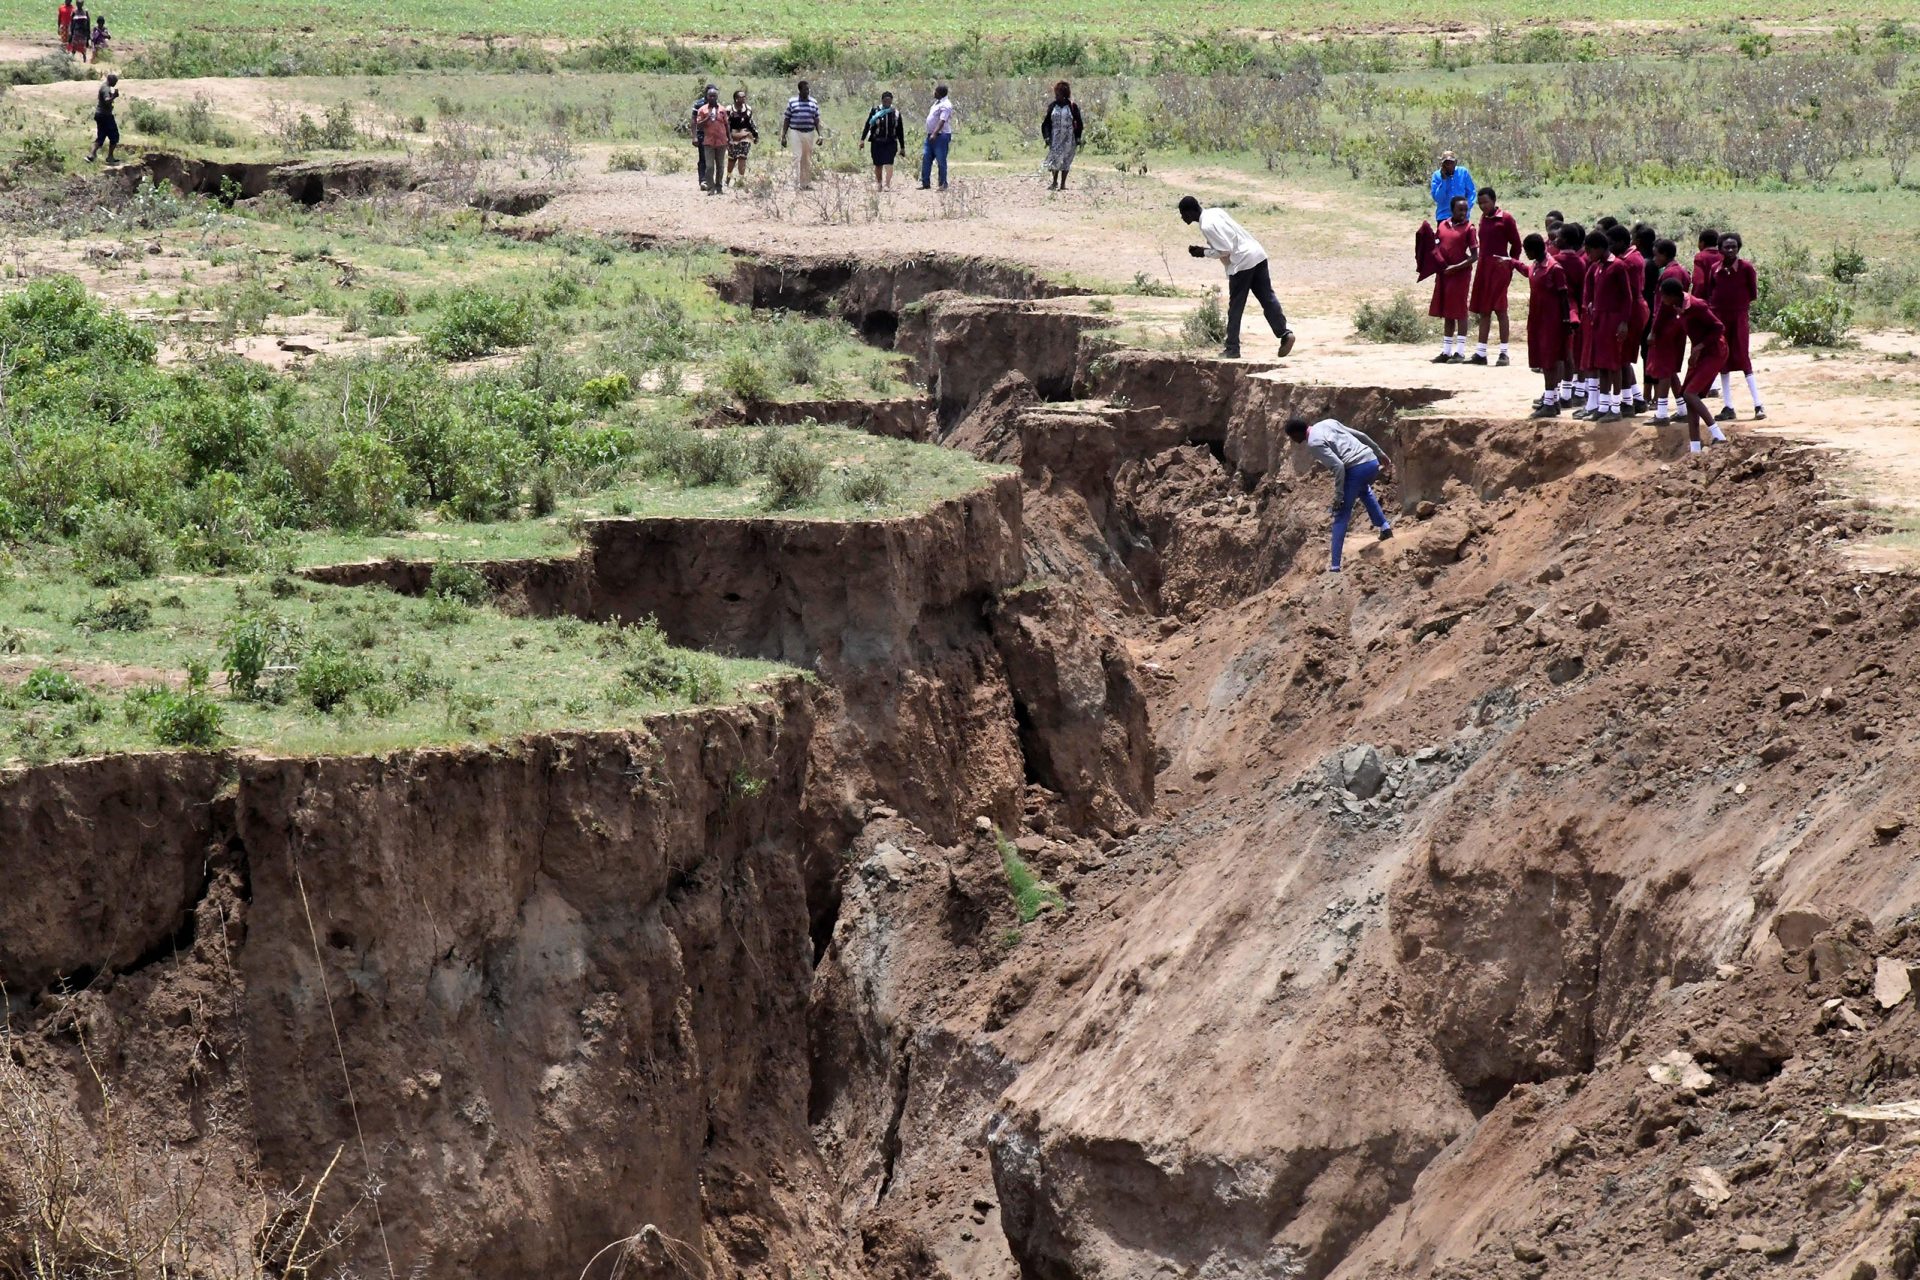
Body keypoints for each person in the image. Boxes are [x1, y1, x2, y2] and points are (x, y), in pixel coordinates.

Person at [1178, 195, 1296, 361]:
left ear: (1189, 212)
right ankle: (1285, 334)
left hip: (1241, 263)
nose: (1182, 217)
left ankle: (1232, 348)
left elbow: (1225, 249)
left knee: (1235, 307)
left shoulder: (1206, 225)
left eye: (1182, 214)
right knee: (1268, 298)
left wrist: (1202, 252)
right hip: (1257, 254)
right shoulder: (1215, 212)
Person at [1285, 417, 1393, 573]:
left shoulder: (1314, 443)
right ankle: (1385, 528)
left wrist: (1338, 497)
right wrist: (1380, 453)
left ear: (1296, 433)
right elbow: (1361, 435)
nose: (1293, 441)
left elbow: (1339, 467)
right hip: (1371, 462)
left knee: (1341, 514)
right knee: (1364, 491)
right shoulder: (1328, 422)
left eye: (1292, 437)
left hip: (1356, 468)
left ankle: (1335, 566)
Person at [1657, 277, 1731, 453]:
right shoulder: (1677, 307)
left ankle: (1718, 434)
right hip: (1700, 354)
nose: (1662, 300)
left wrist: (1698, 347)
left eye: (1664, 296)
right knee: (1687, 395)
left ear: (1673, 296)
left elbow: (1719, 327)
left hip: (1714, 352)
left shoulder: (1697, 305)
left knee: (1690, 394)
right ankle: (1695, 448)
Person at [1512, 233, 1572, 417]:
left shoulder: (1554, 268)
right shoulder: (1537, 265)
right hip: (1538, 319)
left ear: (1535, 249)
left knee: (1550, 360)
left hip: (1552, 321)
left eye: (1527, 250)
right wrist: (1512, 262)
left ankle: (1550, 402)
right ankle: (1551, 401)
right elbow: (1528, 272)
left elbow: (1564, 297)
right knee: (1543, 360)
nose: (1525, 254)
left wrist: (1565, 321)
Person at [1575, 228, 1633, 422]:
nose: (1588, 255)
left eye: (1590, 251)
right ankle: (1603, 405)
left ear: (1599, 248)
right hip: (1599, 320)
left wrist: (1624, 322)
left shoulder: (1617, 266)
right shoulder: (1598, 267)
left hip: (1613, 320)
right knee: (1602, 365)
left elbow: (1627, 297)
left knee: (1613, 364)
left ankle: (1616, 409)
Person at [1708, 232, 1764, 421]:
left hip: (1739, 317)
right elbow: (1711, 291)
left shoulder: (1746, 268)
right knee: (1723, 359)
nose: (1730, 250)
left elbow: (1753, 293)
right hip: (1720, 318)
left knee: (1742, 357)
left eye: (1734, 246)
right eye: (1726, 247)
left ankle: (1758, 404)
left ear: (1739, 248)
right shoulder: (1715, 269)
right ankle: (1728, 405)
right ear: (1720, 249)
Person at [1467, 187, 1520, 365]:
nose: (1482, 206)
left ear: (1494, 201)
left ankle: (1504, 353)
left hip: (1499, 269)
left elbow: (1516, 244)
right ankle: (1481, 352)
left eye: (1485, 202)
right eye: (1480, 203)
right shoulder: (1484, 218)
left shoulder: (1505, 218)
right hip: (1483, 268)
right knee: (1484, 310)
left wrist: (1510, 263)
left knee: (1500, 309)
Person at [1428, 195, 1477, 362]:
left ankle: (1461, 352)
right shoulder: (1442, 225)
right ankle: (1446, 351)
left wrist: (1455, 268)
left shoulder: (1469, 228)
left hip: (1460, 275)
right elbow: (1434, 245)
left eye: (1465, 210)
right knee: (1448, 311)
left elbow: (1474, 256)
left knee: (1460, 311)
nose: (1463, 213)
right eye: (1460, 210)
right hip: (1444, 274)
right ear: (1452, 210)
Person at [859, 91, 904, 190]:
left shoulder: (895, 113)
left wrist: (902, 147)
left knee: (889, 163)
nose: (887, 102)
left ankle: (887, 184)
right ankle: (879, 183)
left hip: (891, 142)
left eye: (889, 100)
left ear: (892, 101)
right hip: (877, 142)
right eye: (885, 100)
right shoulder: (875, 111)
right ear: (882, 100)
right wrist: (862, 140)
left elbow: (900, 130)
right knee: (878, 164)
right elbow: (868, 125)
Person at [781, 80, 821, 190]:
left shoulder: (813, 102)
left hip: (809, 132)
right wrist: (783, 135)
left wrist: (820, 135)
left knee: (806, 158)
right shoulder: (792, 102)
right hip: (795, 132)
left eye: (808, 89)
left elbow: (816, 119)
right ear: (800, 90)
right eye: (805, 90)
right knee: (796, 156)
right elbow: (787, 118)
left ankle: (805, 183)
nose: (807, 91)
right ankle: (795, 182)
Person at [1042, 81, 1083, 191]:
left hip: (1069, 139)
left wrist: (1078, 137)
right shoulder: (1052, 106)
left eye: (1058, 94)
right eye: (1056, 94)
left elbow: (1079, 122)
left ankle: (1063, 184)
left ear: (1064, 94)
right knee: (1055, 160)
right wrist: (1046, 137)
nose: (1056, 96)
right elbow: (1046, 123)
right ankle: (1054, 182)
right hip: (1055, 138)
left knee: (1066, 161)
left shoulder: (1072, 106)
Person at [693, 86, 729, 195]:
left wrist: (729, 139)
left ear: (717, 96)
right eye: (710, 96)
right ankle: (710, 187)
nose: (712, 98)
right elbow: (698, 125)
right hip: (708, 142)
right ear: (707, 97)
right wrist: (707, 118)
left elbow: (727, 125)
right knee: (709, 166)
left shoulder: (722, 110)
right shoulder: (702, 109)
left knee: (720, 166)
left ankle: (719, 186)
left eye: (714, 96)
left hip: (721, 142)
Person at [920, 84, 954, 190]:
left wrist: (935, 133)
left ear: (939, 93)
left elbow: (942, 120)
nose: (933, 93)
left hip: (940, 135)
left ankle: (943, 184)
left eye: (935, 91)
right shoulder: (937, 103)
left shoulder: (946, 105)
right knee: (926, 157)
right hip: (931, 135)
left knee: (941, 159)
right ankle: (925, 183)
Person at [1428, 150, 1475, 223]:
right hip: (1444, 216)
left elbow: (1471, 192)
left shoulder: (1463, 172)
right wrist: (1443, 180)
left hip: (1462, 216)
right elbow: (1438, 199)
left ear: (1455, 162)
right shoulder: (1437, 176)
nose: (1449, 165)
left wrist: (1465, 208)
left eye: (1451, 162)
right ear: (1442, 164)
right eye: (1446, 163)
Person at [725, 89, 758, 186]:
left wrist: (755, 135)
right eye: (741, 97)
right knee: (732, 158)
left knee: (742, 157)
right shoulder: (729, 109)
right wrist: (727, 138)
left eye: (744, 97)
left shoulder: (748, 109)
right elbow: (726, 124)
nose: (743, 98)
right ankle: (728, 177)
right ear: (735, 99)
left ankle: (741, 180)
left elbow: (751, 123)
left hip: (745, 135)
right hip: (733, 135)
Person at [689, 82, 717, 191]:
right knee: (703, 158)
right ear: (706, 93)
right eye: (711, 94)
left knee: (713, 159)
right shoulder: (699, 104)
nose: (713, 96)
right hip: (702, 135)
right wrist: (694, 136)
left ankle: (710, 180)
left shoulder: (717, 105)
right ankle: (703, 180)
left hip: (714, 135)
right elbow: (693, 121)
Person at [85, 71, 117, 163]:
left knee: (101, 137)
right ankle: (110, 157)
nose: (115, 84)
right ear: (111, 80)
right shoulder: (106, 89)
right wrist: (114, 96)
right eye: (115, 82)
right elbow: (107, 100)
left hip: (100, 115)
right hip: (105, 116)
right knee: (114, 136)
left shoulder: (104, 87)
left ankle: (91, 155)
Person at [1690, 228, 1720, 298]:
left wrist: (1695, 300)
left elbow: (1699, 282)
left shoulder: (1701, 257)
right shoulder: (1724, 256)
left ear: (1702, 243)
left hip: (1705, 301)